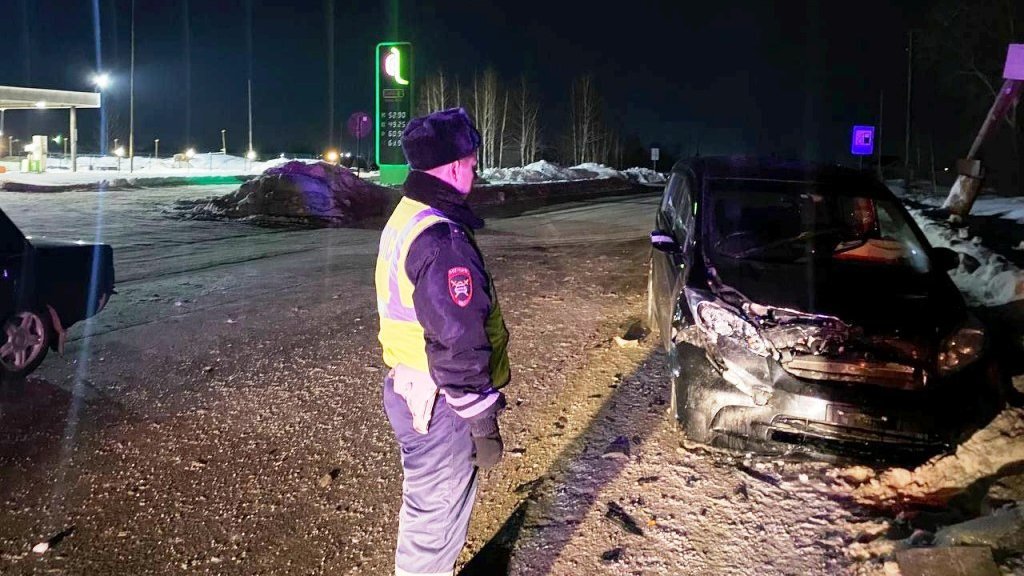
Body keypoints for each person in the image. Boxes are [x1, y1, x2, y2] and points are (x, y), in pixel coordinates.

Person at [374, 107, 511, 576]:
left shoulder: (408, 214)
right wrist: (482, 423)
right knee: (434, 524)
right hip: (441, 403)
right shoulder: (441, 238)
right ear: (454, 164)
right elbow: (457, 342)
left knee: (427, 510)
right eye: (472, 162)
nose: (475, 170)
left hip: (411, 386)